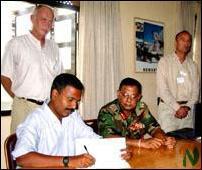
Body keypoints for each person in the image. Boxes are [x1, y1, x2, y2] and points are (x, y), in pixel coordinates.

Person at [12, 73, 131, 168]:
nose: (74, 106)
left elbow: (94, 139)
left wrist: (117, 151)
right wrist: (68, 161)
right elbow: (22, 158)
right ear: (54, 94)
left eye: (77, 101)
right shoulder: (35, 120)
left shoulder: (72, 116)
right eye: (70, 99)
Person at [1, 4, 63, 133]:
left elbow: (59, 78)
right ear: (32, 19)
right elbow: (4, 76)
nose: (47, 24)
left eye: (51, 21)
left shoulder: (54, 47)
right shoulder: (16, 44)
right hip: (23, 107)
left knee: (46, 148)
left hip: (47, 108)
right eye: (43, 19)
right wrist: (18, 98)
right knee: (21, 149)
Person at [98, 77, 176, 149]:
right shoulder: (107, 111)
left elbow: (154, 128)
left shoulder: (141, 108)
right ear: (118, 94)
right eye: (125, 95)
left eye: (133, 96)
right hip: (115, 152)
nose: (128, 100)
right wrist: (140, 143)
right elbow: (107, 137)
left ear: (139, 97)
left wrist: (163, 139)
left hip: (137, 151)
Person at [156, 30, 200, 133]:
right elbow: (163, 90)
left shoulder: (193, 65)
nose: (186, 43)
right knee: (168, 143)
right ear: (176, 42)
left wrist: (187, 107)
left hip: (188, 111)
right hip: (168, 110)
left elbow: (196, 92)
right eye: (183, 40)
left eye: (189, 41)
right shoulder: (164, 62)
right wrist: (177, 108)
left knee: (186, 143)